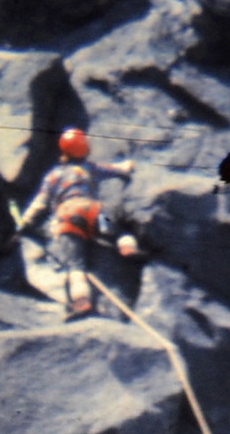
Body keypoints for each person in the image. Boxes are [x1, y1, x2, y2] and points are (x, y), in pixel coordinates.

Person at [16, 128, 138, 319]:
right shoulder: (90, 168)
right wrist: (127, 165)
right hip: (93, 210)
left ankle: (82, 301)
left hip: (67, 220)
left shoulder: (54, 175)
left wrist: (24, 222)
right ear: (85, 150)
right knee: (116, 227)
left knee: (75, 267)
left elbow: (40, 202)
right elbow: (117, 169)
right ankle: (126, 245)